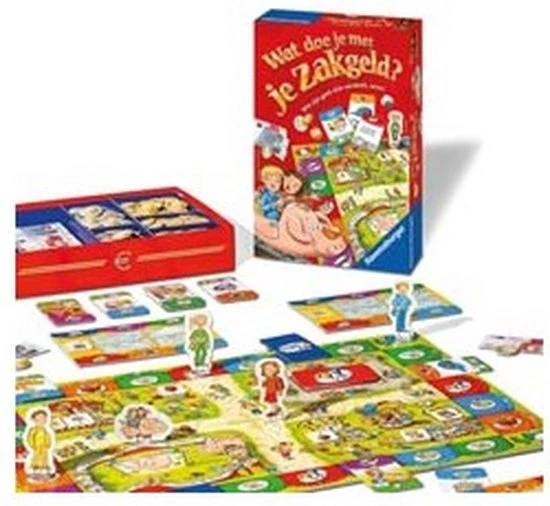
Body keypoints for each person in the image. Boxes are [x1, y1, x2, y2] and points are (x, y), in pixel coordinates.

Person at [24, 409, 55, 480]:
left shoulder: (44, 429)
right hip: (37, 448)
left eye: (44, 419)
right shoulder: (33, 429)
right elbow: (30, 438)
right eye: (40, 419)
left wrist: (48, 444)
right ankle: (35, 471)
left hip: (44, 448)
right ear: (35, 420)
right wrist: (32, 445)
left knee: (45, 459)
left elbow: (48, 437)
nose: (42, 421)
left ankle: (44, 471)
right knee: (36, 459)